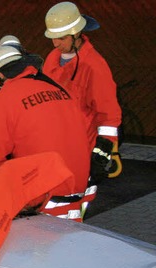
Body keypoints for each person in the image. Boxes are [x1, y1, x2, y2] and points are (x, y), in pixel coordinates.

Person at [0, 45, 91, 221]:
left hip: (42, 199)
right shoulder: (59, 90)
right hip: (77, 194)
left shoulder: (5, 98)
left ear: (2, 74)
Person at [42, 1, 122, 184]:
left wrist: (102, 152)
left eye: (61, 38)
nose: (55, 43)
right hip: (53, 148)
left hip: (81, 151)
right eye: (53, 38)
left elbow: (109, 116)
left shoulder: (94, 66)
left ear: (76, 33)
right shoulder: (52, 59)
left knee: (73, 208)